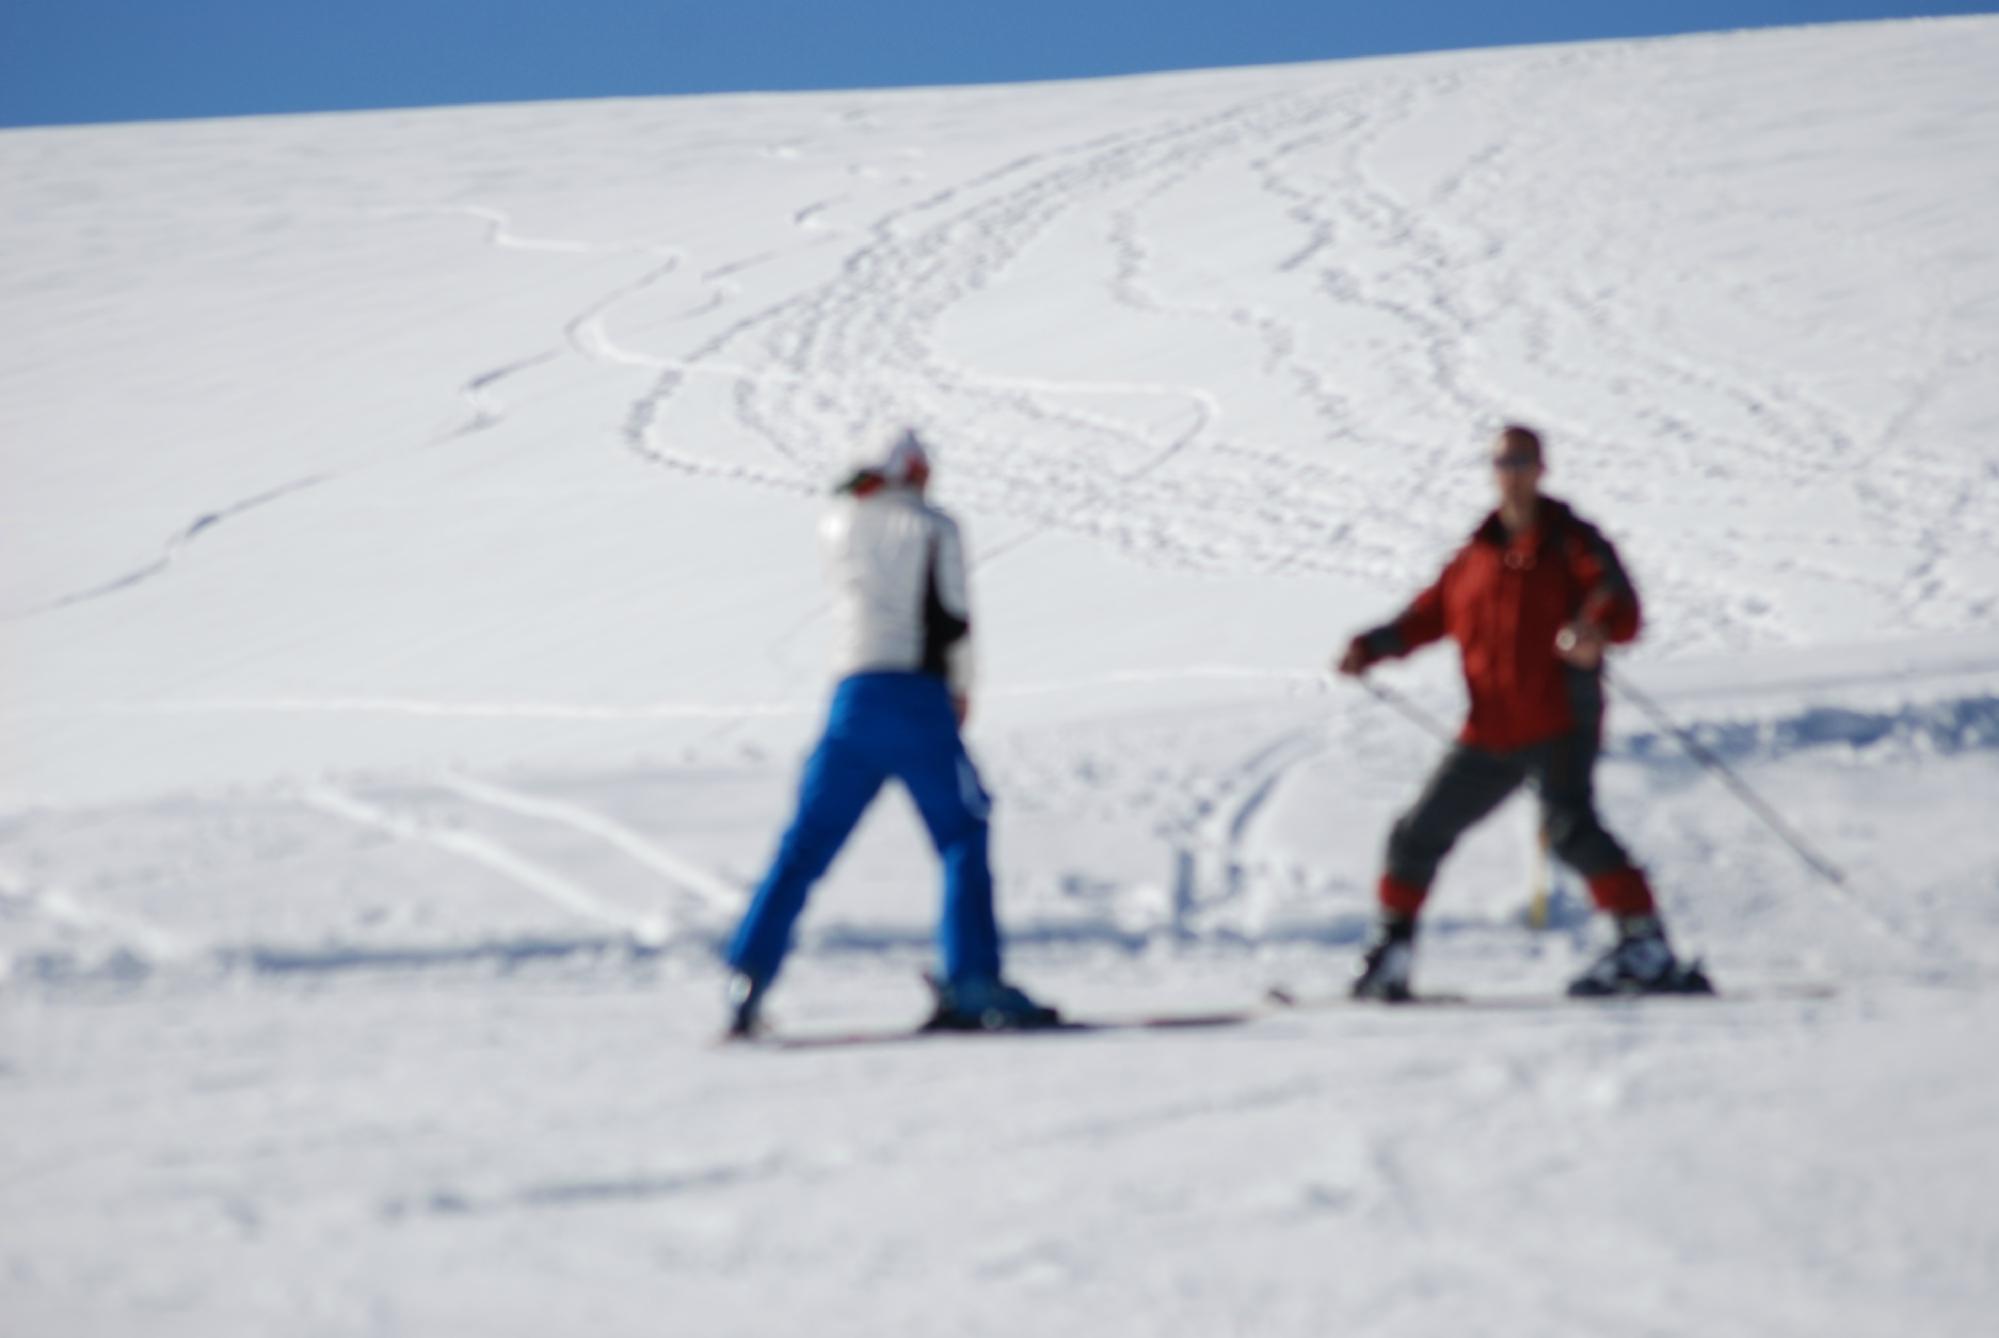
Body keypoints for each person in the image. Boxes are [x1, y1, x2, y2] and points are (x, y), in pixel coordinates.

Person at [1335, 424, 1709, 1000]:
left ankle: (1645, 946)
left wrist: (1592, 629)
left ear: (1541, 468)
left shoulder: (1570, 541)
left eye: (1521, 461)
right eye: (1502, 462)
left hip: (1561, 718)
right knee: (1415, 835)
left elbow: (1619, 604)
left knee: (1568, 829)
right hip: (1490, 730)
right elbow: (1427, 617)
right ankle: (1392, 955)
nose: (1511, 472)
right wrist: (1372, 647)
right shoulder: (1475, 557)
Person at [722, 429, 1059, 1036]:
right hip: (916, 696)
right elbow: (952, 616)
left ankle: (747, 977)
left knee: (804, 848)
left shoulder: (836, 524)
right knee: (962, 832)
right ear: (909, 471)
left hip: (850, 701)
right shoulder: (934, 526)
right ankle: (973, 980)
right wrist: (961, 689)